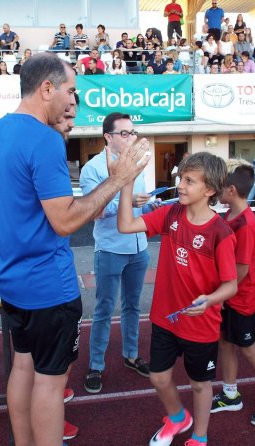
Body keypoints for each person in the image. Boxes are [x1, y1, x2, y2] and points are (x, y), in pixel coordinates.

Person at [0, 53, 150, 446]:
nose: (75, 101)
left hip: (12, 282)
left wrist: (2, 262)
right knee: (50, 383)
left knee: (23, 367)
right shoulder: (44, 139)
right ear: (47, 89)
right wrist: (119, 177)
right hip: (49, 289)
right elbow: (65, 221)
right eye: (71, 91)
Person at [118, 152, 237, 446]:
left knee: (200, 384)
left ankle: (199, 436)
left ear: (209, 190)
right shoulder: (171, 214)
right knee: (158, 378)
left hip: (201, 326)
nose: (180, 185)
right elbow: (125, 226)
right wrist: (124, 184)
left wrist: (209, 300)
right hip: (165, 318)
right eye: (180, 179)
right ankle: (177, 417)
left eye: (189, 180)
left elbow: (231, 285)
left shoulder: (220, 232)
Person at [80, 113, 154, 395]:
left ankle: (131, 355)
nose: (130, 138)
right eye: (124, 133)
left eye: (132, 132)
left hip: (139, 247)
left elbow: (140, 206)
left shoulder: (140, 164)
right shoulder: (93, 169)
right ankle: (96, 366)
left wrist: (150, 205)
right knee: (103, 309)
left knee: (133, 306)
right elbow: (93, 210)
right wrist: (125, 201)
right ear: (108, 137)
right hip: (110, 248)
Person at [211, 160, 255, 427]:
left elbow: (241, 270)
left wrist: (219, 294)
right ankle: (230, 394)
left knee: (249, 349)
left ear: (231, 190)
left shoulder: (247, 224)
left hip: (242, 299)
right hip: (228, 297)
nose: (216, 192)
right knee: (226, 344)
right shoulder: (228, 217)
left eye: (219, 188)